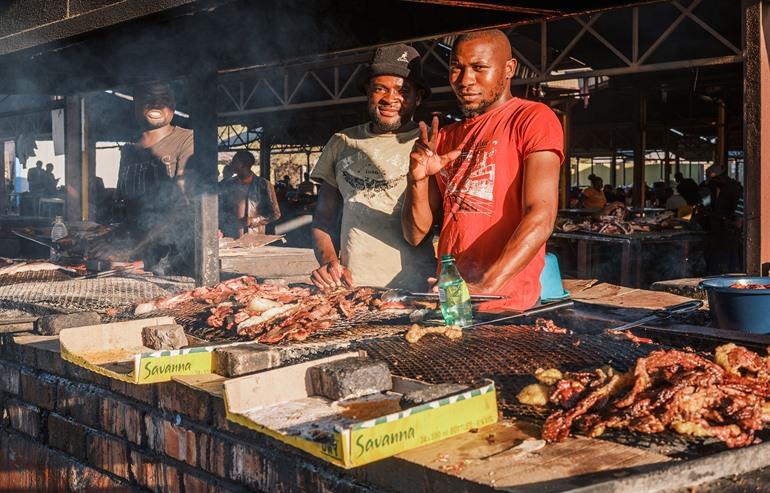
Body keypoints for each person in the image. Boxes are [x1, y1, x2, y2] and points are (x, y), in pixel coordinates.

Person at [402, 29, 564, 311]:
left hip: (507, 303)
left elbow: (541, 215)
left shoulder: (532, 119)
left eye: (479, 68)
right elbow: (415, 235)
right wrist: (416, 181)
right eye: (457, 68)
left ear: (509, 68)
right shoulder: (444, 137)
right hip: (453, 297)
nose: (465, 80)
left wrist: (486, 286)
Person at [310, 43, 436, 291]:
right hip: (352, 291)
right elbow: (323, 221)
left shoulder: (430, 145)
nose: (390, 98)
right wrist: (328, 261)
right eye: (380, 89)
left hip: (416, 291)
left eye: (403, 91)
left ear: (418, 97)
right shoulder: (342, 142)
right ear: (368, 92)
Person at [116, 82, 195, 275]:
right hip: (136, 255)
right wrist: (113, 238)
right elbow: (126, 209)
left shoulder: (187, 140)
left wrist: (140, 247)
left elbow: (184, 206)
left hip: (173, 257)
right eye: (149, 98)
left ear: (174, 105)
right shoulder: (129, 150)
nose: (157, 104)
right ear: (136, 103)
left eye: (164, 99)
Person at [219, 150, 281, 238]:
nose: (231, 164)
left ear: (243, 165)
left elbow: (275, 213)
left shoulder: (263, 185)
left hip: (254, 240)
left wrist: (253, 221)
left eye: (235, 161)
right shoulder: (228, 184)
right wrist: (220, 227)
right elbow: (221, 210)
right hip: (230, 239)